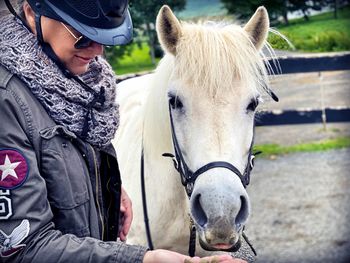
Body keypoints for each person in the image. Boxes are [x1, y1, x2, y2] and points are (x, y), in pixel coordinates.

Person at [0, 1, 247, 262]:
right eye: (82, 35)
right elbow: (23, 249)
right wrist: (143, 259)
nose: (97, 50)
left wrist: (108, 190)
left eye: (103, 36)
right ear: (31, 12)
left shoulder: (82, 81)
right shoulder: (8, 104)